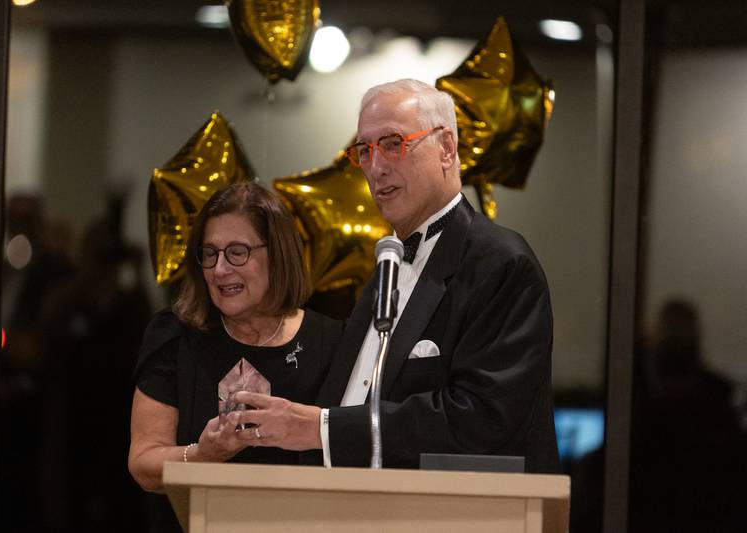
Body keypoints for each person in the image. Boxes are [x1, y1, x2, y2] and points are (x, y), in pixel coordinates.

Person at [226, 78, 559, 473]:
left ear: (447, 148)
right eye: (364, 151)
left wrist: (324, 430)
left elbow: (482, 418)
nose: (376, 167)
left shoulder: (502, 263)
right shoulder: (387, 266)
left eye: (392, 143)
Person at [128, 182, 343, 532]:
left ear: (277, 253)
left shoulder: (332, 342)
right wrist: (202, 455)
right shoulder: (177, 336)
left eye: (237, 252)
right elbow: (143, 464)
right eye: (210, 253)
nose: (220, 269)